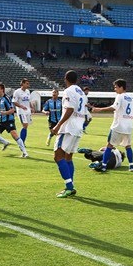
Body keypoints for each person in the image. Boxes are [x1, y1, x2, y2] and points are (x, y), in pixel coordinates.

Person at [51, 70, 87, 198]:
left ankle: (69, 187)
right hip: (78, 128)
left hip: (68, 128)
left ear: (66, 78)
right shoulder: (82, 93)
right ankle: (70, 186)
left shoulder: (68, 91)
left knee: (58, 156)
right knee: (68, 158)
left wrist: (57, 125)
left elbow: (70, 109)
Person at [92, 79, 133, 172]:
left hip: (118, 126)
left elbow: (114, 107)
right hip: (128, 127)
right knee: (128, 146)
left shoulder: (120, 96)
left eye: (116, 87)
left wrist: (99, 109)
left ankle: (103, 166)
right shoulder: (131, 98)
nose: (115, 89)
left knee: (109, 145)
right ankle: (131, 166)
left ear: (121, 87)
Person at [0, 82, 29, 158]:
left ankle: (25, 152)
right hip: (1, 121)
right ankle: (5, 142)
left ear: (2, 90)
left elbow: (12, 110)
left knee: (14, 135)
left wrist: (5, 113)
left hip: (9, 121)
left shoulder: (7, 98)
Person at [12, 78, 34, 144]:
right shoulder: (17, 92)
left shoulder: (28, 91)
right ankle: (21, 142)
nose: (28, 85)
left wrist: (32, 107)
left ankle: (22, 141)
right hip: (21, 111)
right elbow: (14, 102)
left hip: (28, 111)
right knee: (25, 125)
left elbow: (29, 101)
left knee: (26, 126)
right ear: (22, 84)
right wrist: (21, 106)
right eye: (27, 83)